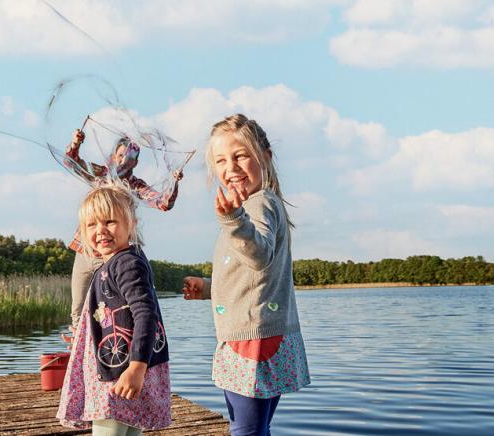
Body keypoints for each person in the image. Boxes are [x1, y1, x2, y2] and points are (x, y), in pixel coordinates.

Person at [182, 114, 310, 436]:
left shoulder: (258, 203)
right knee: (255, 428)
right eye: (221, 160)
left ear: (265, 157)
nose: (231, 167)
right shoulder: (258, 204)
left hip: (252, 339)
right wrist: (210, 287)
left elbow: (260, 254)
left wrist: (234, 219)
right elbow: (253, 276)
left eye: (240, 155)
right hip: (261, 334)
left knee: (246, 431)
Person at [57, 182, 171, 434]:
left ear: (131, 224)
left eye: (109, 221)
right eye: (91, 225)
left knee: (110, 427)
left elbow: (145, 313)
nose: (100, 231)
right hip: (122, 368)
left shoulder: (126, 263)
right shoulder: (118, 262)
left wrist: (137, 367)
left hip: (121, 372)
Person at [64, 128, 182, 331]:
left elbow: (163, 203)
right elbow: (70, 162)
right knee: (78, 306)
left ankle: (118, 339)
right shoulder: (100, 174)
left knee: (115, 304)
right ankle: (77, 346)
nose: (123, 161)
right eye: (120, 156)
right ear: (112, 157)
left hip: (114, 254)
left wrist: (173, 182)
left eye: (129, 158)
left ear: (135, 163)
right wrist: (76, 143)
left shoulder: (135, 185)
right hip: (87, 249)